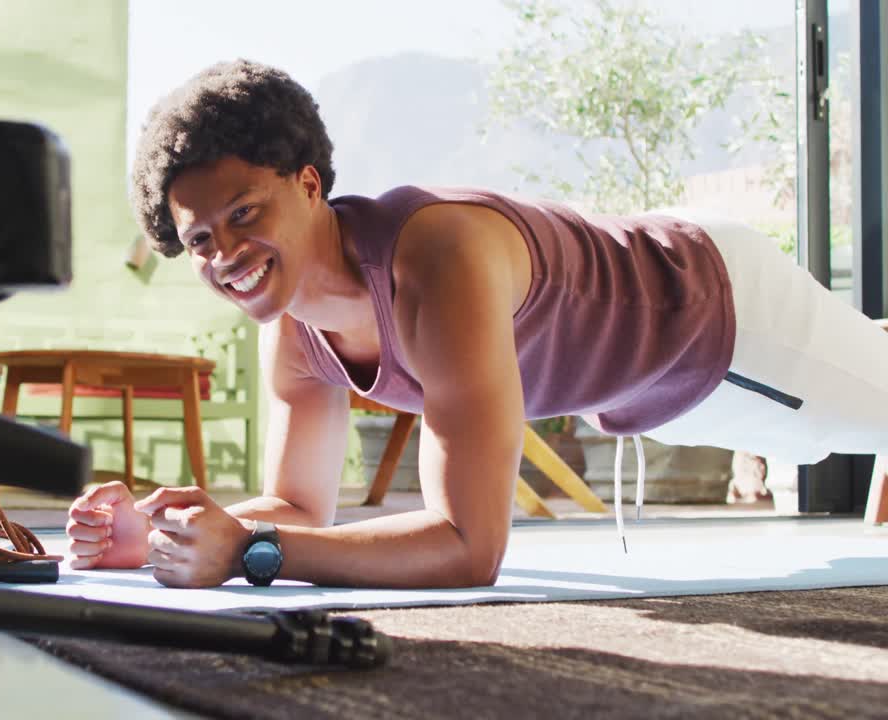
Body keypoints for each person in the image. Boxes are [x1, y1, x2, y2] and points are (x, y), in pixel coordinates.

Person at [64, 59, 888, 590]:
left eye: (247, 212)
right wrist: (165, 532)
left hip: (719, 318)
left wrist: (246, 552)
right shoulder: (295, 328)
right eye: (203, 239)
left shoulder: (435, 260)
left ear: (310, 184)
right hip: (652, 369)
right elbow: (300, 507)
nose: (228, 252)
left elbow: (468, 547)